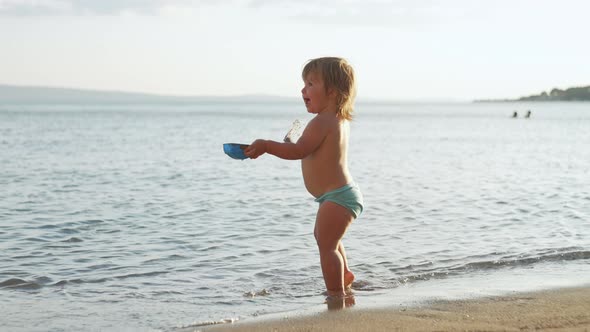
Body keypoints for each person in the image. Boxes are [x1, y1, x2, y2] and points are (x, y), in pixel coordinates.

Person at [244, 57, 364, 302]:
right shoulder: (335, 120)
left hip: (338, 197)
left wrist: (267, 146)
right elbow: (306, 149)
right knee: (325, 239)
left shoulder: (321, 122)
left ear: (331, 91)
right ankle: (344, 275)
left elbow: (299, 152)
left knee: (327, 246)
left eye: (310, 84)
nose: (303, 90)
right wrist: (291, 144)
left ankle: (336, 295)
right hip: (338, 195)